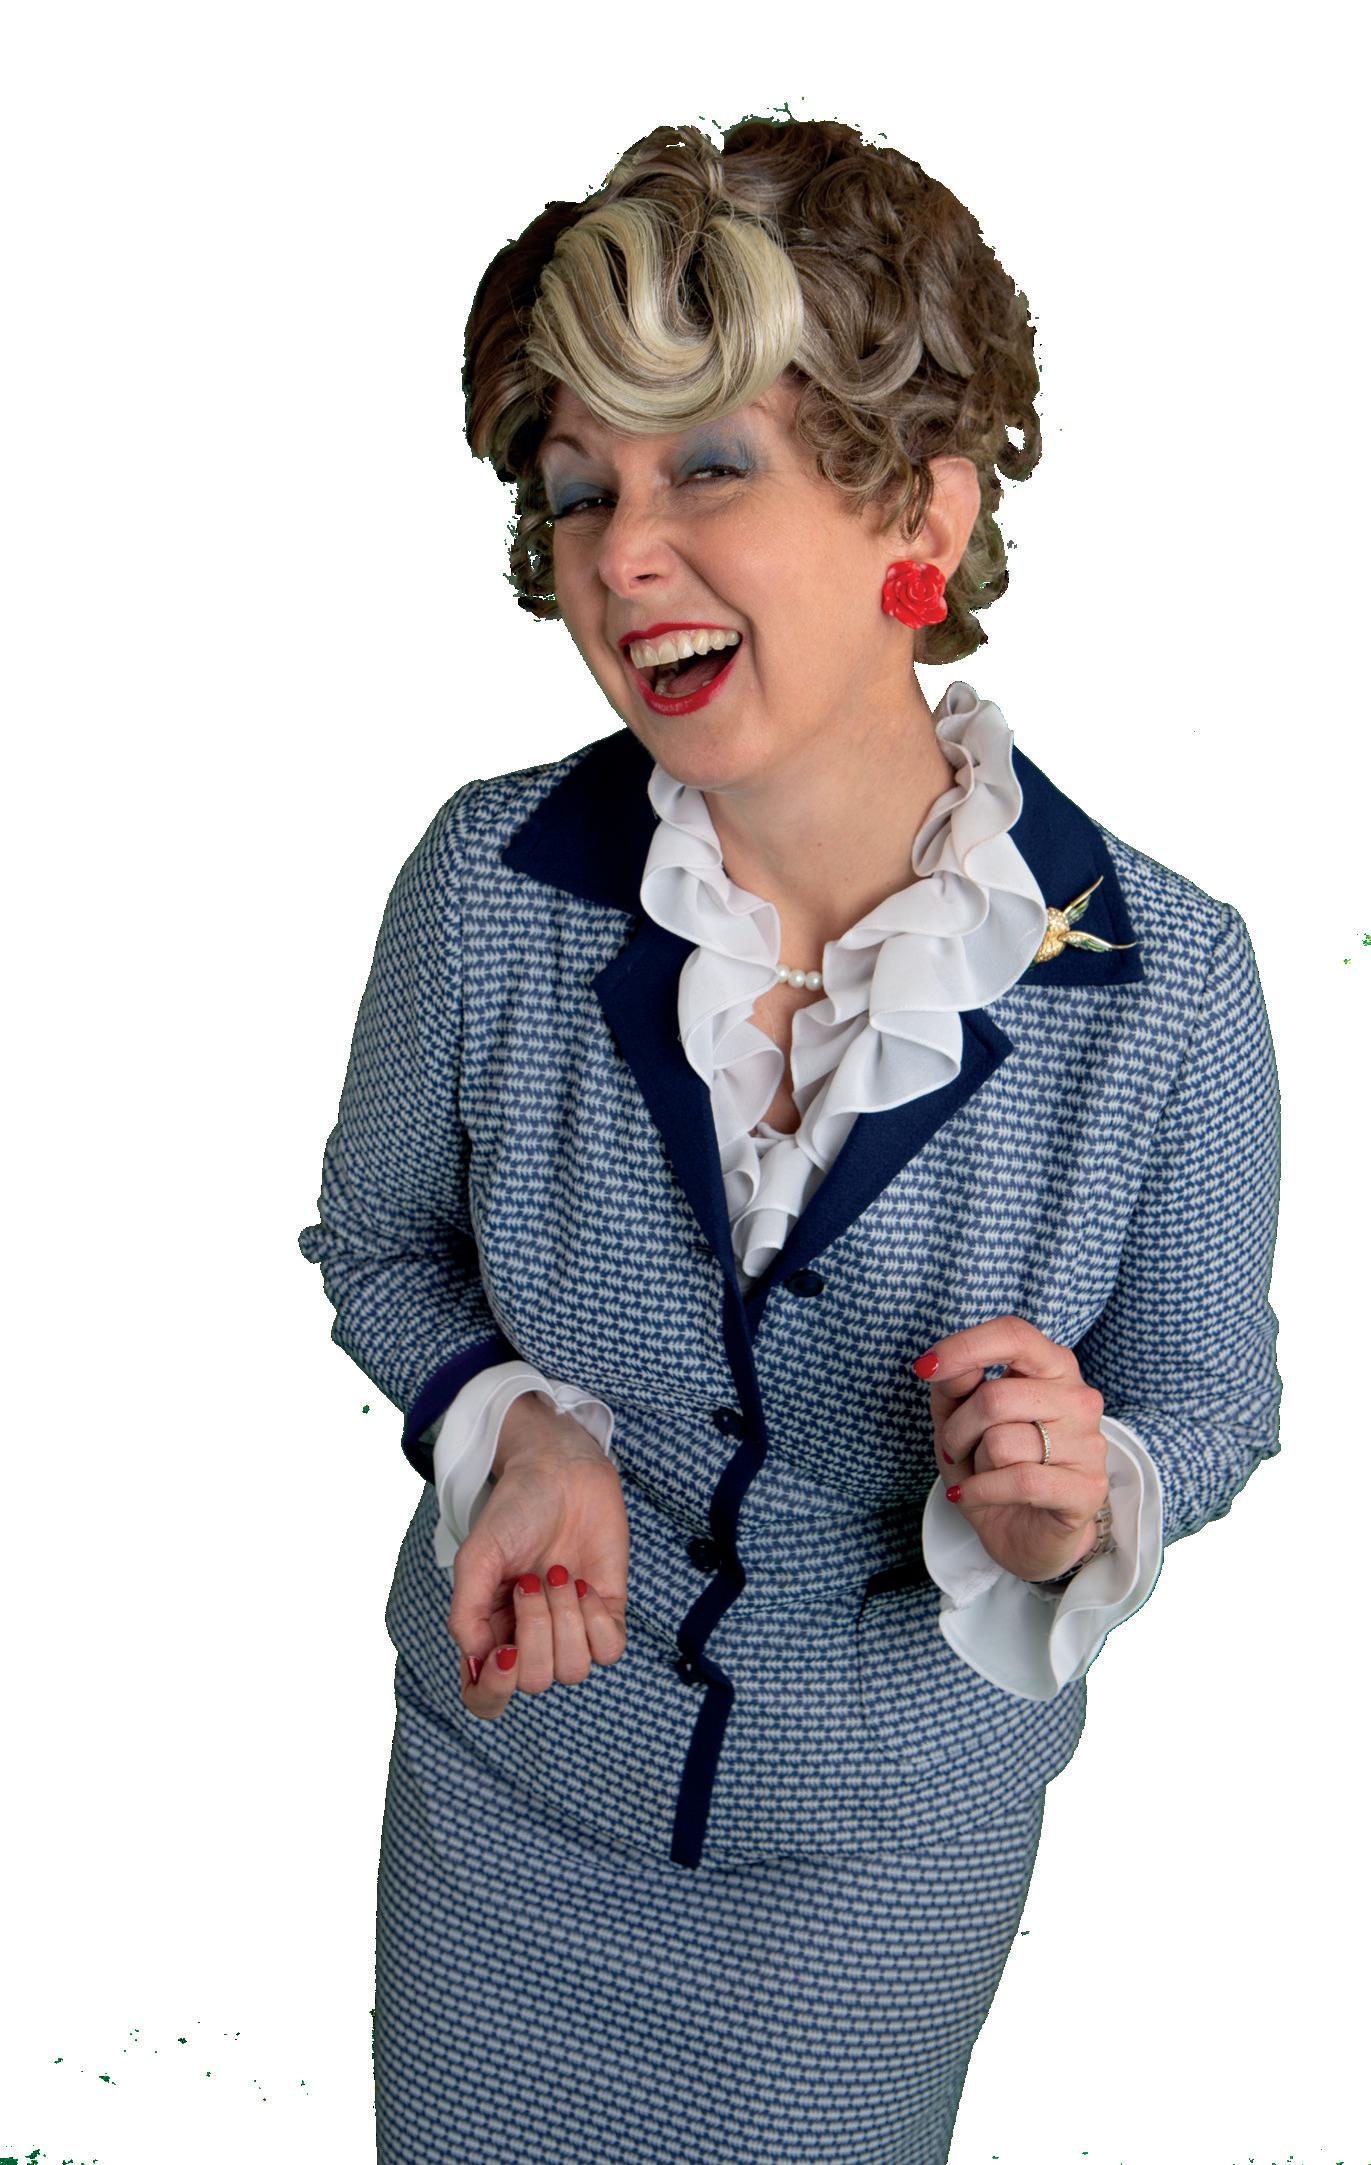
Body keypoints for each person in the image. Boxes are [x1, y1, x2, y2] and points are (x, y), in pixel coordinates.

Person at [297, 114, 1282, 2164]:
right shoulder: (487, 884)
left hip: (875, 1869)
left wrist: (1071, 1507)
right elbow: (378, 1246)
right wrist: (511, 1426)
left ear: (920, 501)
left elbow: (1207, 1394)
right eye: (581, 490)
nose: (619, 557)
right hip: (507, 1792)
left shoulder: (1167, 982)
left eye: (709, 469)